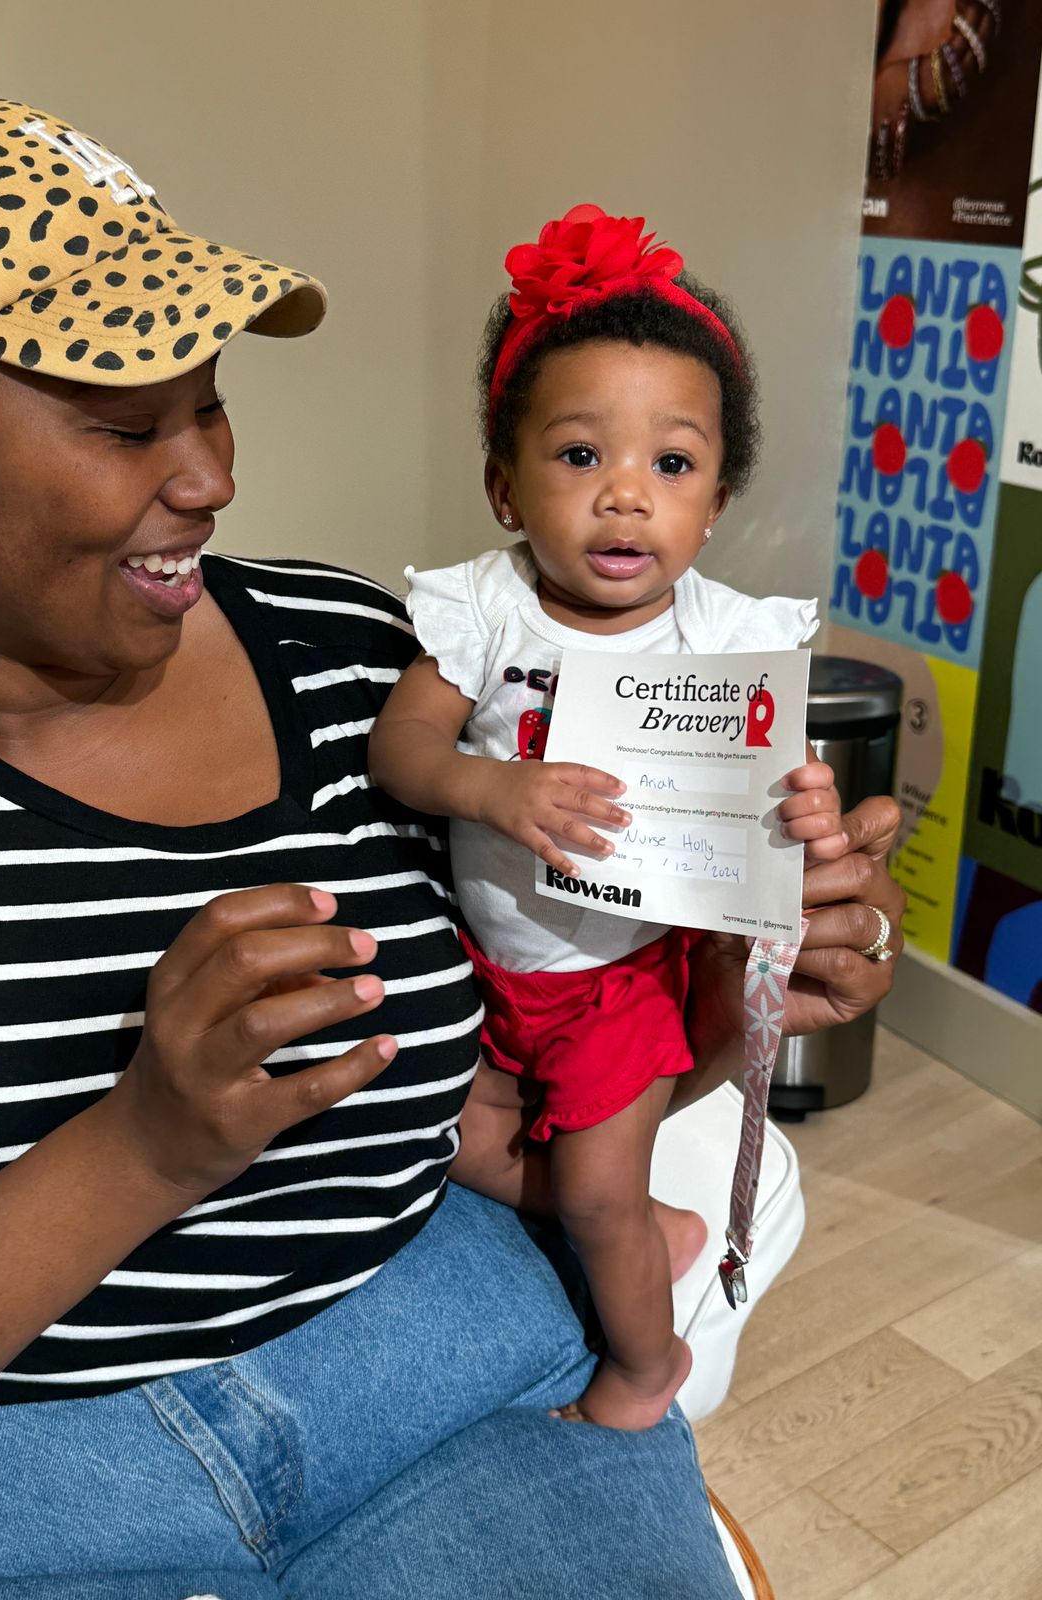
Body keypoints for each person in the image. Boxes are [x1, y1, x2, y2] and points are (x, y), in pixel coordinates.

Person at [0, 96, 903, 1599]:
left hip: (452, 1370)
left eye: (210, 403)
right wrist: (146, 1146)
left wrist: (762, 963)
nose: (209, 478)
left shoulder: (359, 658)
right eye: (127, 425)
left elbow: (551, 1039)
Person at [369, 204, 848, 1430]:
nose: (626, 496)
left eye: (671, 466)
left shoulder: (722, 637)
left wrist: (803, 806)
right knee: (438, 1139)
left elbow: (775, 785)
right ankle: (658, 1220)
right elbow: (401, 749)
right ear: (505, 485)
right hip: (485, 965)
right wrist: (491, 786)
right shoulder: (486, 608)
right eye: (581, 455)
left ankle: (644, 1365)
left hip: (621, 979)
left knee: (588, 1191)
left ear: (716, 500)